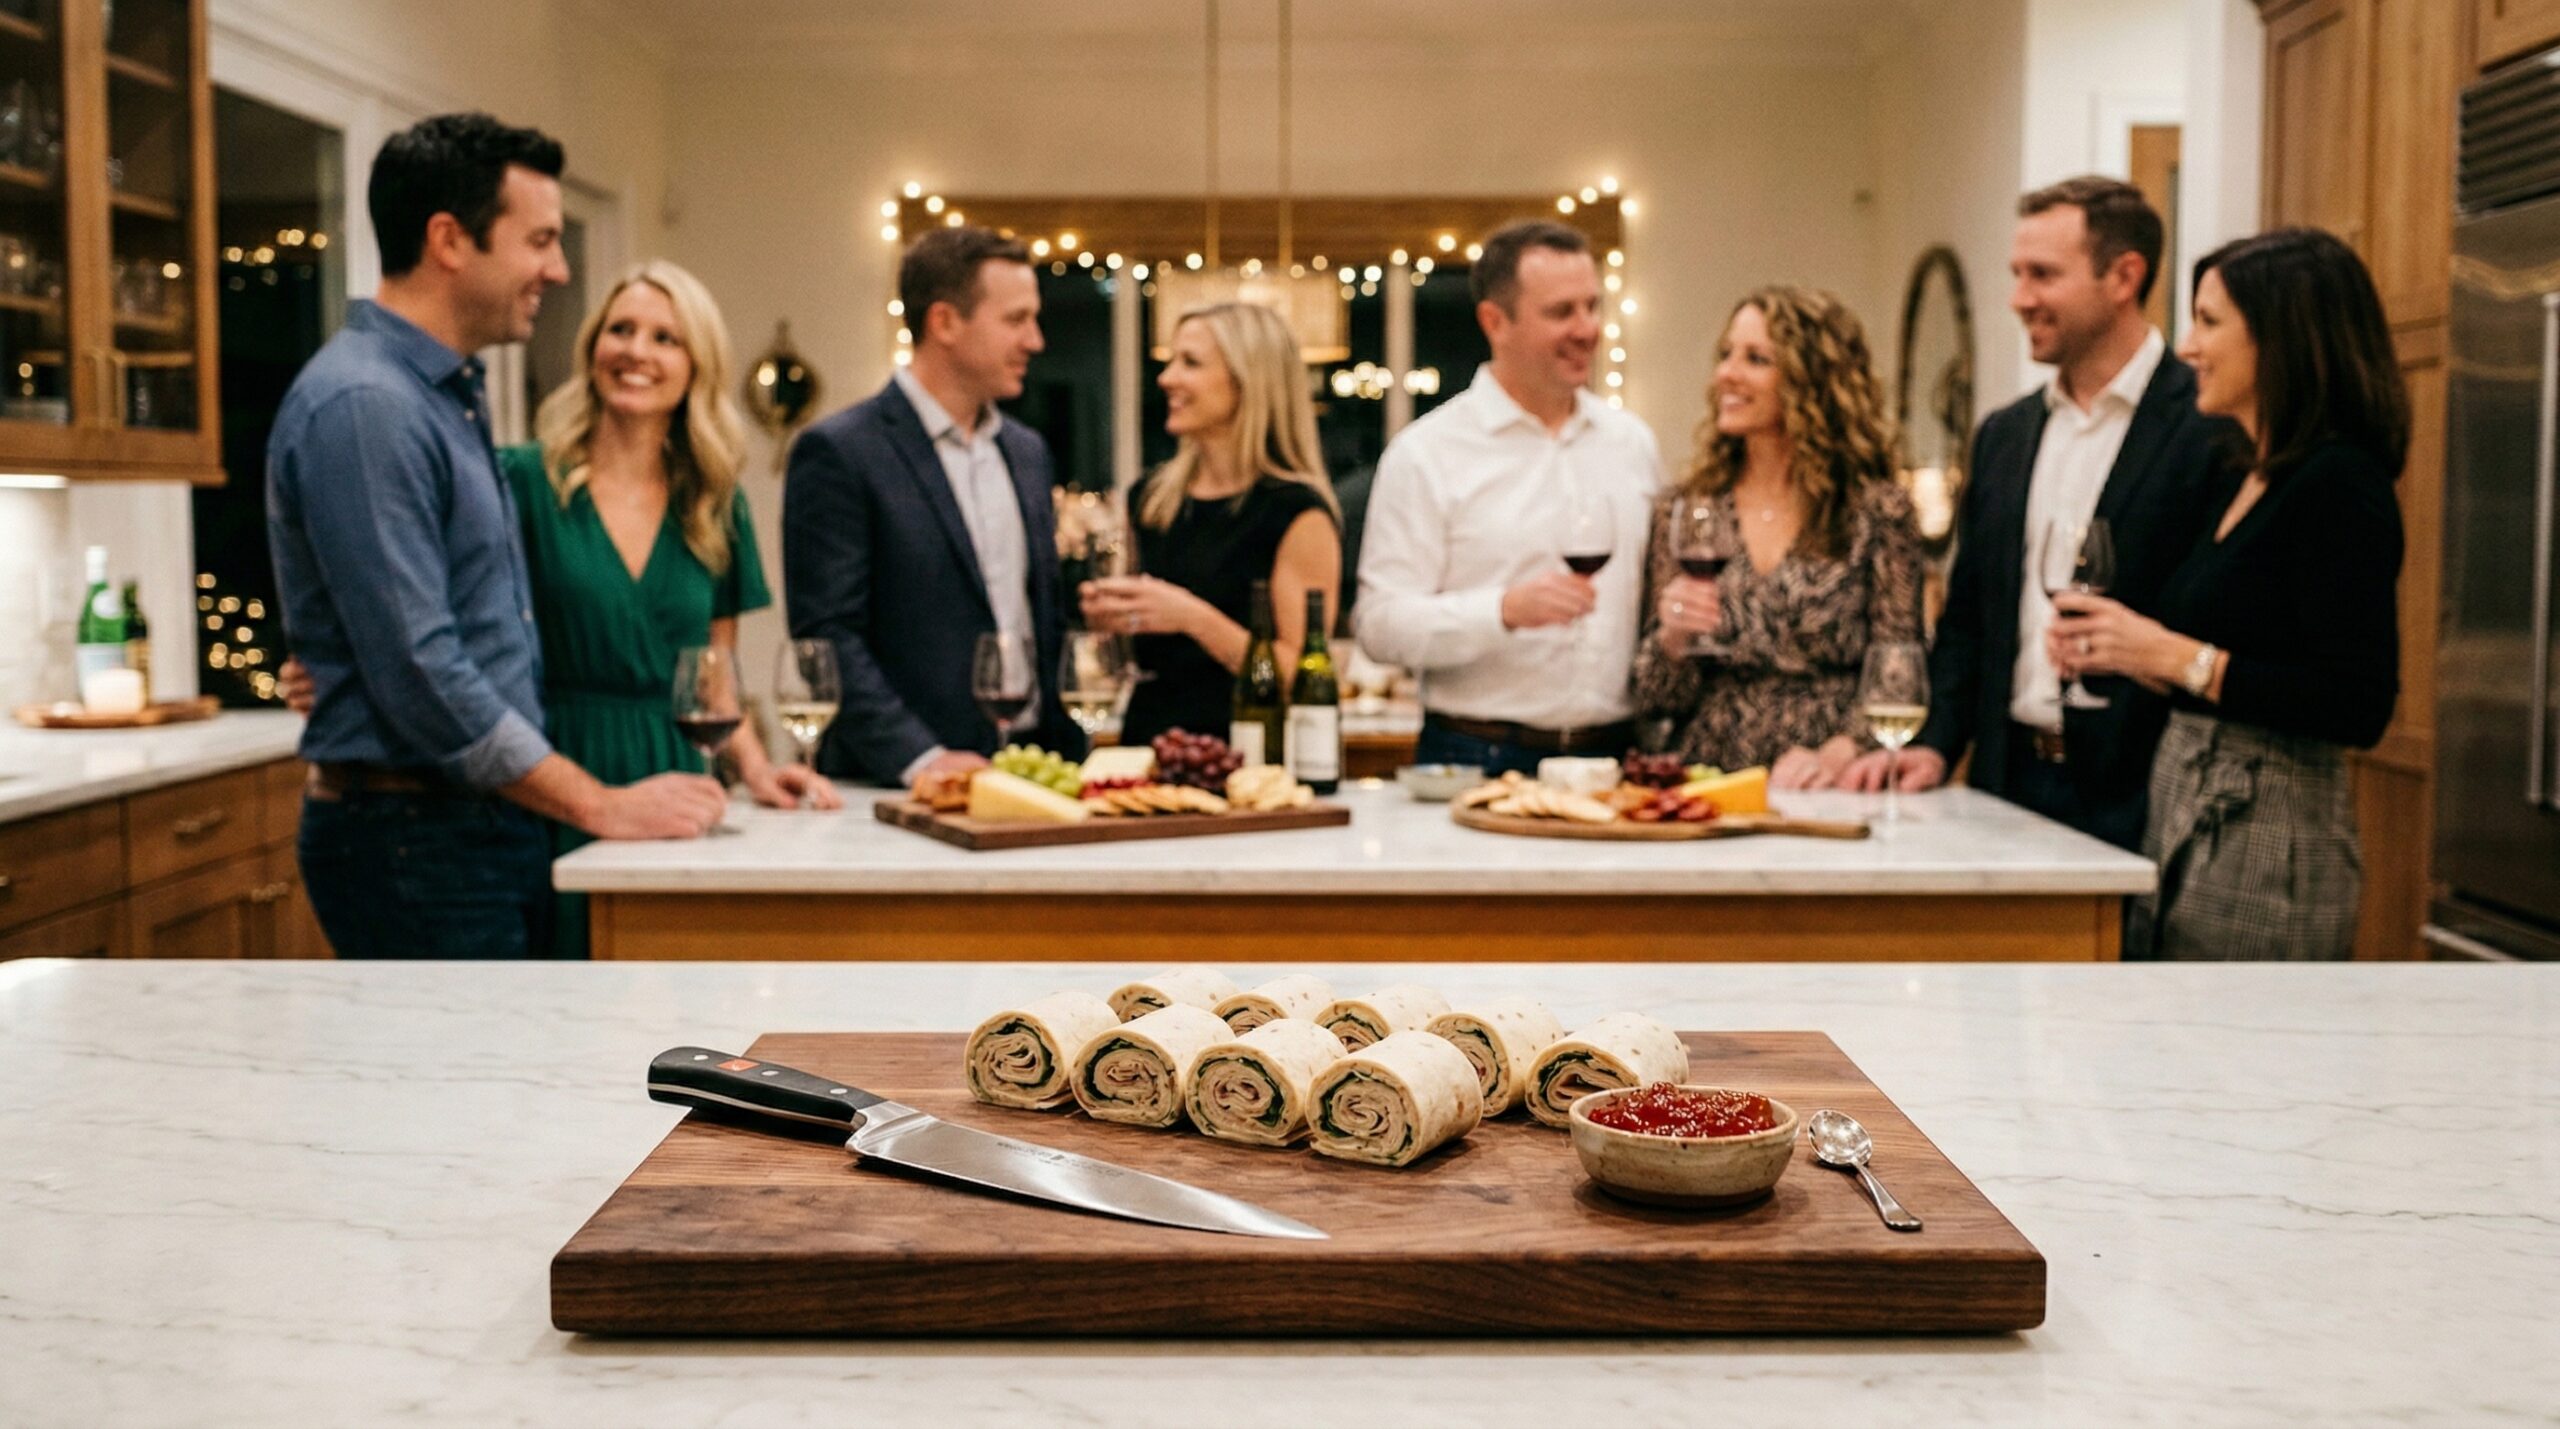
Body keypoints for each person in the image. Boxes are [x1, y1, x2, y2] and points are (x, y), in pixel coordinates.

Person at [266, 113, 725, 961]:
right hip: (414, 835)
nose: (557, 267)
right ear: (449, 239)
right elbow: (420, 669)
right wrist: (599, 803)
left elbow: (442, 628)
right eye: (541, 240)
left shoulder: (444, 396)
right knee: (462, 1095)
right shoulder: (370, 406)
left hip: (473, 823)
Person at [1841, 177, 2237, 851]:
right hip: (2006, 782)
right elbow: (1969, 618)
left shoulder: (2209, 428)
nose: (2019, 298)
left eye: (2042, 275)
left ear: (2124, 276)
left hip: (2144, 792)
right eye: (2017, 274)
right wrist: (1936, 745)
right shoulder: (2005, 434)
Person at [2052, 228, 2406, 960]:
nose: (2187, 347)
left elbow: (2358, 704)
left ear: (2283, 338)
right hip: (2187, 799)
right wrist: (2129, 651)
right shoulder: (2248, 473)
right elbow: (2241, 645)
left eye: (2209, 321)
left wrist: (2181, 658)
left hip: (2272, 828)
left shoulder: (2341, 483)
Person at [507, 260, 839, 954]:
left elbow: (716, 673)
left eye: (665, 338)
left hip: (679, 770)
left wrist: (754, 767)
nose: (636, 351)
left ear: (696, 366)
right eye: (620, 329)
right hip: (560, 771)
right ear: (592, 345)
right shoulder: (525, 480)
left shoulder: (715, 500)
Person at [1354, 220, 1665, 776]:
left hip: (1617, 756)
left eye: (1592, 307)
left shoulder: (1632, 444)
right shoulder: (1427, 453)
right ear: (1495, 322)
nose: (1587, 329)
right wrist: (1501, 611)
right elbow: (1380, 626)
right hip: (1478, 755)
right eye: (1561, 312)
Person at [784, 226, 1084, 785]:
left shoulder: (1027, 451)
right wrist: (921, 759)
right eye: (1016, 320)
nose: (1036, 341)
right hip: (895, 786)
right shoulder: (841, 452)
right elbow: (827, 637)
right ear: (944, 321)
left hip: (1031, 771)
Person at [1634, 286, 1922, 785]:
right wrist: (1673, 638)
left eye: (1756, 358)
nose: (1726, 373)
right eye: (1726, 354)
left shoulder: (1878, 513)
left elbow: (1898, 673)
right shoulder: (1689, 512)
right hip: (1710, 781)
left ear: (1813, 381)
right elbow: (1656, 697)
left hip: (1835, 783)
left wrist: (1837, 755)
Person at [1080, 302, 1340, 745]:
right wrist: (1112, 622)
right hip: (1147, 749)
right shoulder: (1152, 498)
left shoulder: (1296, 512)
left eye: (1191, 363)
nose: (1166, 379)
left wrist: (1192, 617)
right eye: (1170, 362)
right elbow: (1132, 661)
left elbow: (1299, 676)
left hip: (1245, 762)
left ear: (1247, 383)